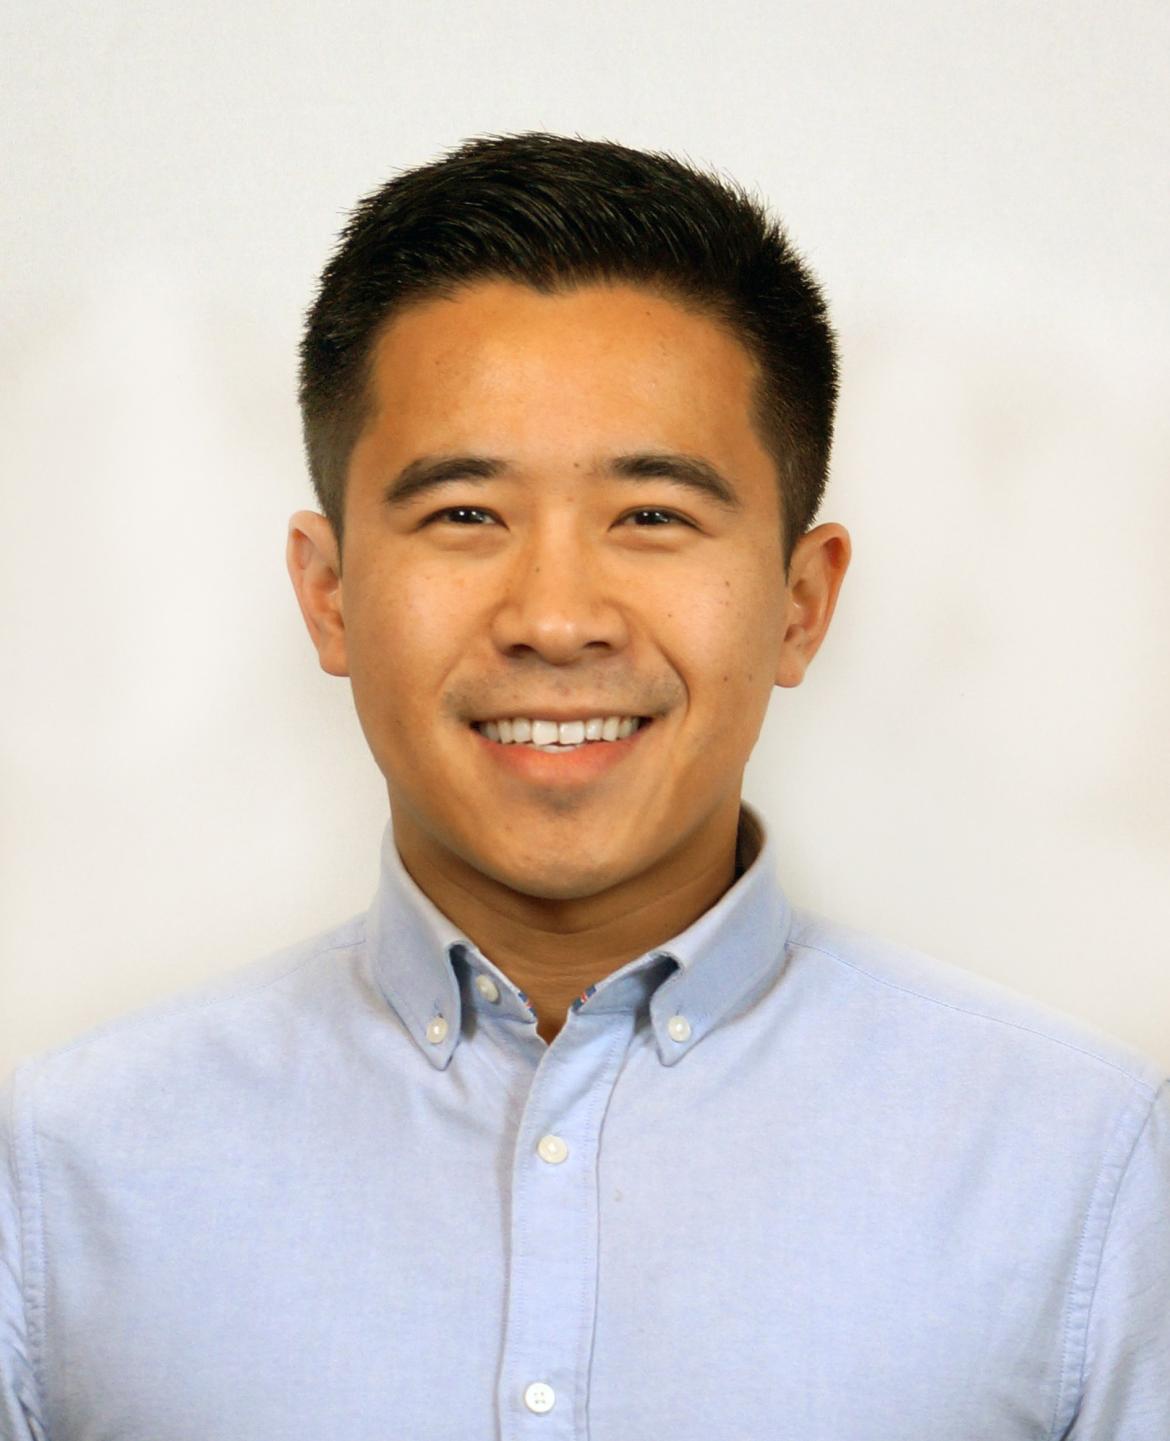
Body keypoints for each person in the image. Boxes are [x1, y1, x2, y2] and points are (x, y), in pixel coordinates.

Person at [1, 133, 1166, 1441]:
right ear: (328, 595)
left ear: (801, 598)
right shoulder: (58, 1178)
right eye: (462, 515)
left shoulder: (1086, 1172)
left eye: (652, 516)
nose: (555, 619)